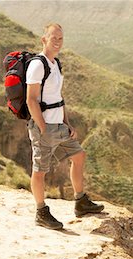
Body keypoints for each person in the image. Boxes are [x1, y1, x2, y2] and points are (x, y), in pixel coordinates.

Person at [26, 23, 104, 230]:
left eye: (61, 39)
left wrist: (67, 123)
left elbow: (58, 98)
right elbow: (31, 100)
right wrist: (42, 128)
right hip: (44, 127)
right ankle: (41, 212)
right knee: (40, 170)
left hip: (59, 125)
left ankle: (80, 202)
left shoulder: (55, 64)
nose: (58, 42)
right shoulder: (37, 65)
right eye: (54, 38)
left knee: (79, 156)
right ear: (44, 39)